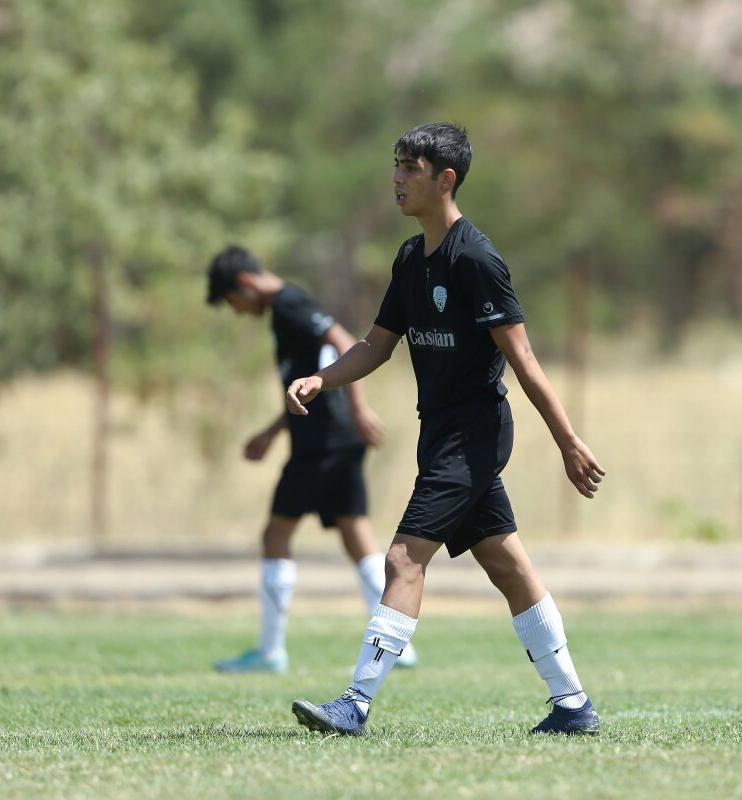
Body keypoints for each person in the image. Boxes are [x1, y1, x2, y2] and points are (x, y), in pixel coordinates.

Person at [284, 122, 605, 736]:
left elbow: (523, 359)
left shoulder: (476, 259)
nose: (397, 178)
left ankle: (355, 703)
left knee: (403, 559)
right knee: (506, 564)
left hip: (474, 435)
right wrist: (321, 379)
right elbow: (375, 346)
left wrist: (568, 441)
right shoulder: (410, 258)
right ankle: (572, 705)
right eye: (396, 164)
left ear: (445, 179)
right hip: (440, 435)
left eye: (411, 167)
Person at [205, 245, 417, 674]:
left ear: (244, 283)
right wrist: (272, 431)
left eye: (232, 302)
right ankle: (398, 646)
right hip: (334, 437)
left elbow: (343, 341)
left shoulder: (288, 303)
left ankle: (270, 652)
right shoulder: (285, 307)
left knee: (276, 534)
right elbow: (305, 387)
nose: (238, 311)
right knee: (355, 533)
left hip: (322, 441)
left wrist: (359, 408)